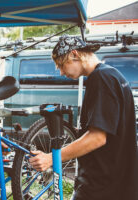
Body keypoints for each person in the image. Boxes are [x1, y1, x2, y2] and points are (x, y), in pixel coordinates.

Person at [29, 35, 138, 200]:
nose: (61, 72)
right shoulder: (114, 75)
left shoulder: (102, 78)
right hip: (116, 182)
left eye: (61, 65)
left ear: (74, 54)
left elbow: (97, 138)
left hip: (101, 185)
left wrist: (51, 158)